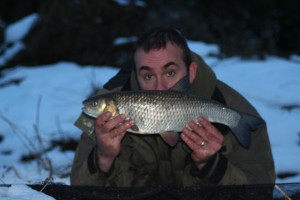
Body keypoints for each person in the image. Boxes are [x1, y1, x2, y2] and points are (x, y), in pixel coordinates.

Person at [71, 27, 275, 186]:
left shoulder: (233, 108)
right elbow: (79, 191)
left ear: (191, 72)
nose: (160, 87)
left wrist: (211, 165)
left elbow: (261, 189)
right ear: (136, 76)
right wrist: (104, 157)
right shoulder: (103, 115)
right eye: (148, 76)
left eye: (170, 73)